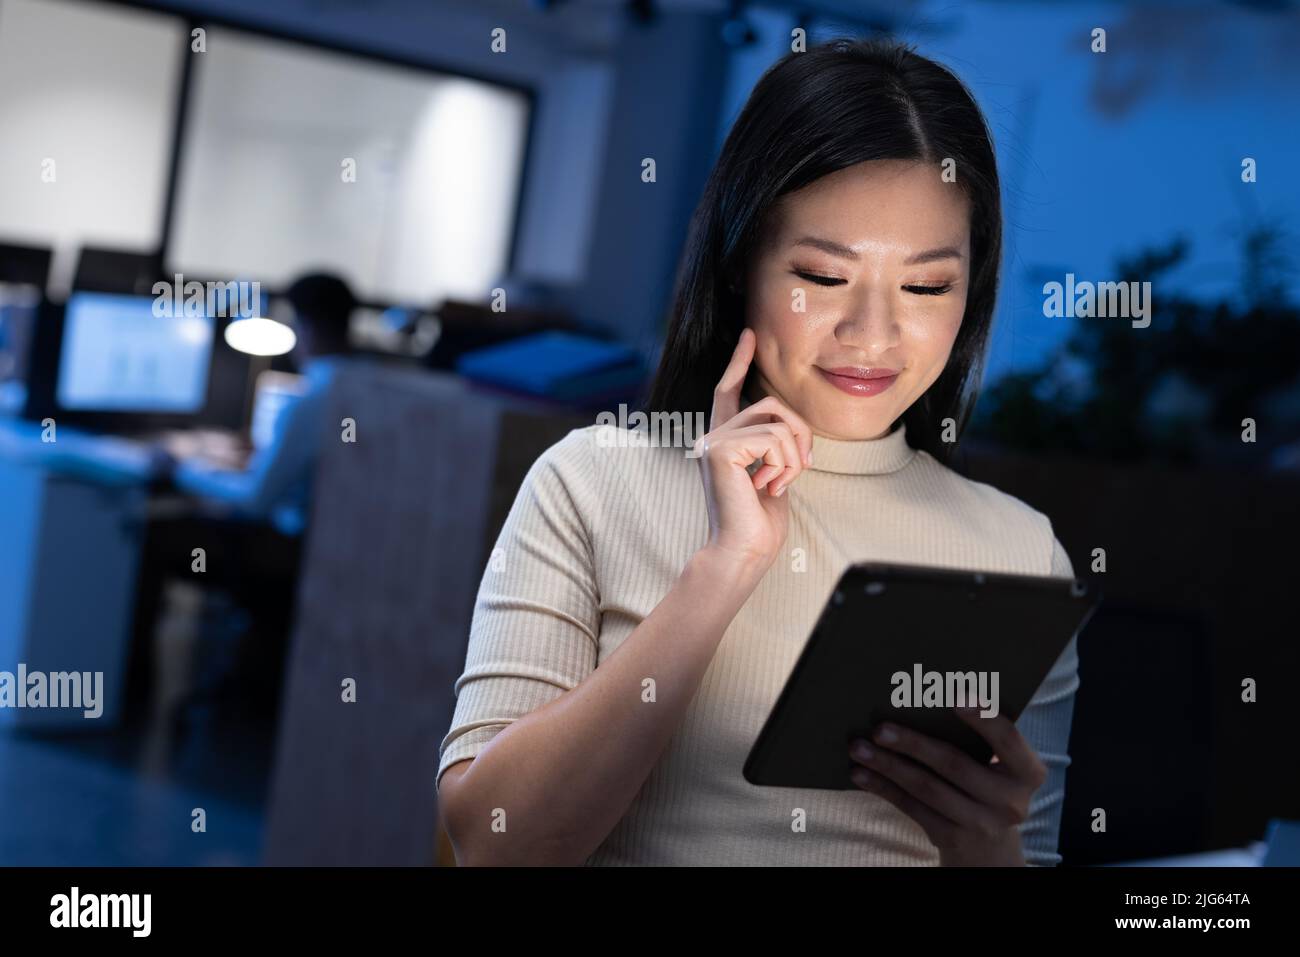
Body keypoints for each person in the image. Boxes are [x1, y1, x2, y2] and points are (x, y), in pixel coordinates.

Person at [435, 37, 1081, 866]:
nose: (873, 334)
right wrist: (727, 564)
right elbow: (497, 844)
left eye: (926, 285)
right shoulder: (592, 481)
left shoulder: (1023, 555)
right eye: (822, 274)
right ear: (743, 264)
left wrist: (988, 847)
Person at [125, 272, 359, 719]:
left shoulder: (311, 399)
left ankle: (135, 690)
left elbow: (255, 501)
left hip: (281, 547)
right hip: (330, 553)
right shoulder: (365, 388)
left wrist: (185, 469)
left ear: (305, 326)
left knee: (150, 532)